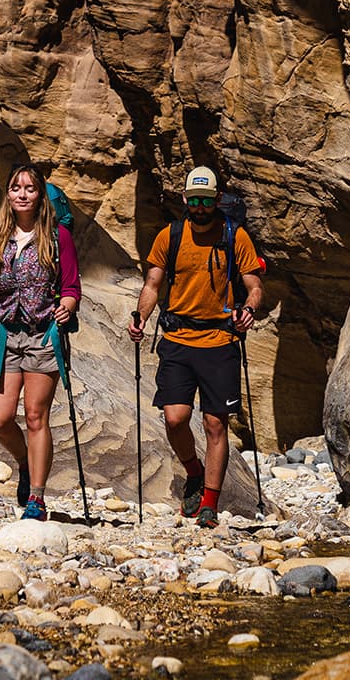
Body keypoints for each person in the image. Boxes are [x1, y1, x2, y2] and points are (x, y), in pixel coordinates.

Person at [127, 166, 264, 528]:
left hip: (220, 340)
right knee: (175, 418)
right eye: (194, 200)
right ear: (185, 200)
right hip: (177, 339)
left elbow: (254, 287)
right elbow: (153, 284)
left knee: (215, 423)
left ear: (218, 200)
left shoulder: (236, 237)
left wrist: (248, 310)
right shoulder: (170, 236)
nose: (200, 206)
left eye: (206, 200)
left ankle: (210, 504)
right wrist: (140, 317)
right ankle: (193, 470)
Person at [0, 163, 81, 521]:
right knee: (0, 419)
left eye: (30, 188)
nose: (22, 194)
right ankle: (24, 463)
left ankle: (38, 499)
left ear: (40, 196)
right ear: (8, 194)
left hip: (44, 336)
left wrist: (66, 306)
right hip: (4, 335)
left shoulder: (58, 238)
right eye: (16, 188)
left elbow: (72, 286)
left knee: (34, 416)